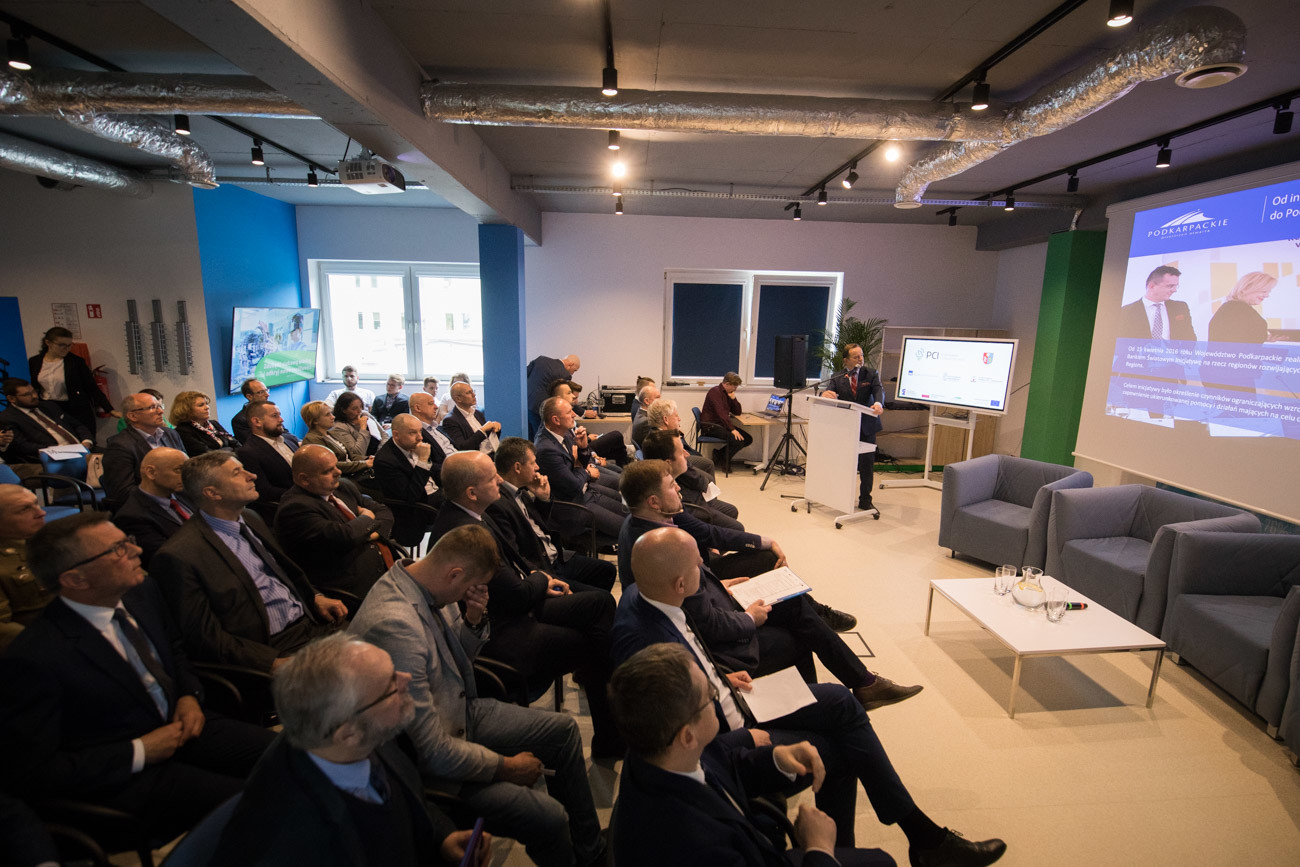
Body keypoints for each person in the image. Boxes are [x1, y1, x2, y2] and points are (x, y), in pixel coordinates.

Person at [612, 527, 1006, 866]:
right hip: (735, 725)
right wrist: (744, 735)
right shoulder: (647, 642)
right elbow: (670, 715)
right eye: (699, 566)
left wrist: (719, 678)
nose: (705, 568)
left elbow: (679, 679)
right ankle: (892, 842)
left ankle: (909, 836)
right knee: (842, 749)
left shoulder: (649, 598)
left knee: (839, 700)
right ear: (680, 584)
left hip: (733, 699)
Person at [0, 514, 274, 841]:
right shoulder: (35, 657)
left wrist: (188, 695)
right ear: (75, 579)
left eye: (127, 540)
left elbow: (174, 649)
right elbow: (34, 771)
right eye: (118, 549)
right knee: (259, 805)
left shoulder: (141, 592)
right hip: (128, 770)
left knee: (294, 753)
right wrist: (140, 750)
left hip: (183, 724)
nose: (137, 550)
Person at [348, 525, 607, 867]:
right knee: (548, 816)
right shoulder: (396, 627)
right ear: (454, 573)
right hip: (429, 762)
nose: (468, 594)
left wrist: (473, 618)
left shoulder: (424, 581)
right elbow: (430, 751)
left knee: (564, 732)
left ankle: (591, 852)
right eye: (469, 587)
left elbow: (458, 661)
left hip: (458, 708)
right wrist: (505, 767)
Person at [618, 460, 919, 709]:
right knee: (799, 633)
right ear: (654, 501)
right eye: (672, 485)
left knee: (792, 604)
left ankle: (857, 685)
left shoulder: (644, 526)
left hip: (712, 603)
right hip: (714, 642)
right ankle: (824, 705)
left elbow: (689, 595)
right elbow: (704, 623)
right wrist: (750, 618)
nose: (680, 488)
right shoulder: (661, 546)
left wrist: (720, 585)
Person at [211, 634, 491, 867]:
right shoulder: (290, 840)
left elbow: (407, 798)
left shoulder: (362, 735)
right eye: (389, 685)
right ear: (348, 733)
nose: (405, 678)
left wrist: (442, 838)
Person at [608, 643, 894, 867]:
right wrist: (819, 849)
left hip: (750, 839)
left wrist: (777, 758)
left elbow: (722, 764)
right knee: (884, 862)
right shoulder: (695, 845)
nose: (718, 697)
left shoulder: (660, 750)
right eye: (710, 696)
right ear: (687, 736)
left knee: (839, 752)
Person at [425, 453, 621, 755]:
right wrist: (540, 580)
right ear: (472, 492)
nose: (499, 480)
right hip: (500, 629)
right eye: (492, 477)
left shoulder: (475, 512)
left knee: (599, 609)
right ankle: (611, 734)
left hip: (512, 605)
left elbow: (518, 560)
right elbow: (515, 595)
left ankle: (610, 732)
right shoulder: (465, 532)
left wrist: (539, 577)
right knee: (594, 633)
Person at [150, 450, 347, 673]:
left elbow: (283, 571)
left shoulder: (250, 518)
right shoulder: (179, 555)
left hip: (311, 623)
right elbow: (205, 637)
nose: (252, 475)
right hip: (273, 649)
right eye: (237, 473)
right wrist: (271, 663)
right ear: (212, 493)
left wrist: (315, 596)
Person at [489, 436, 617, 592]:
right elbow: (516, 553)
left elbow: (540, 526)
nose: (537, 467)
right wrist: (543, 579)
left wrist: (543, 499)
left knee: (607, 570)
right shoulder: (499, 503)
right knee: (602, 599)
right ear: (517, 467)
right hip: (544, 569)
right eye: (533, 463)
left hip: (557, 558)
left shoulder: (522, 491)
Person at [274, 446, 397, 602]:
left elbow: (384, 513)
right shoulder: (295, 508)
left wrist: (370, 534)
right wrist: (367, 517)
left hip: (385, 566)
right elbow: (346, 536)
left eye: (336, 466)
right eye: (328, 471)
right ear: (304, 479)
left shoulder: (342, 487)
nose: (338, 472)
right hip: (349, 588)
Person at [533, 396, 628, 541]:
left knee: (628, 515)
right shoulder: (546, 449)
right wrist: (585, 471)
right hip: (573, 505)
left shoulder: (563, 434)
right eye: (569, 412)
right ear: (556, 420)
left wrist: (583, 448)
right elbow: (574, 486)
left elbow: (581, 464)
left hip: (586, 492)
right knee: (626, 530)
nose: (574, 414)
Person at [820, 343, 884, 513]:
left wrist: (878, 403)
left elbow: (878, 391)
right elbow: (828, 392)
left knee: (866, 465)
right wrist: (824, 394)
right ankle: (840, 497)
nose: (860, 359)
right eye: (856, 357)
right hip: (846, 427)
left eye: (861, 355)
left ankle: (865, 500)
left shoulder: (871, 373)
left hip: (867, 426)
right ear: (846, 360)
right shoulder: (837, 376)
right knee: (843, 463)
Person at [642, 428, 743, 531]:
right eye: (681, 452)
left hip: (695, 501)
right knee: (737, 527)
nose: (687, 455)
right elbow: (699, 529)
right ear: (668, 463)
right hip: (696, 508)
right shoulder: (673, 503)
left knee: (732, 512)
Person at [26, 326, 118, 436]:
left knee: (82, 439)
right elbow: (34, 386)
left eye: (69, 345)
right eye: (61, 345)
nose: (66, 349)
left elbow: (91, 387)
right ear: (48, 343)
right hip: (48, 408)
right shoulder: (34, 361)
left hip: (74, 409)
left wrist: (109, 409)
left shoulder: (76, 362)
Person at [110, 447, 194, 568]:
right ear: (151, 472)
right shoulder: (133, 517)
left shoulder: (184, 494)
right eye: (178, 470)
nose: (187, 476)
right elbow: (168, 562)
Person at [101, 392, 186, 510]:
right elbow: (122, 492)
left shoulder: (170, 434)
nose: (161, 411)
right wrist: (163, 493)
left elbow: (186, 468)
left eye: (159, 406)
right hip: (147, 507)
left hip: (182, 499)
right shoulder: (119, 446)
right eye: (152, 407)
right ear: (133, 416)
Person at [374, 414, 445, 545]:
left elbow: (434, 468)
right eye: (413, 433)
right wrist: (422, 460)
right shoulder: (385, 460)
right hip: (421, 506)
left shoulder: (414, 444)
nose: (420, 437)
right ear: (396, 435)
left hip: (438, 492)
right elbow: (411, 495)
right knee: (463, 513)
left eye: (420, 431)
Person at [0, 485, 56, 649]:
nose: (41, 512)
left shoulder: (50, 540)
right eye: (24, 509)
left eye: (36, 503)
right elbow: (3, 629)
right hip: (44, 641)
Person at [0, 377, 94, 467]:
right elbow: (23, 446)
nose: (34, 396)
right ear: (11, 399)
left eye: (34, 391)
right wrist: (60, 449)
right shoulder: (7, 418)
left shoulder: (48, 406)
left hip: (84, 449)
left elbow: (77, 425)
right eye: (27, 394)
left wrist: (87, 441)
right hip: (54, 459)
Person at [236, 400, 301, 521]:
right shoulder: (248, 452)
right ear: (257, 421)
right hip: (287, 507)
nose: (281, 419)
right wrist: (305, 492)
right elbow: (264, 491)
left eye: (280, 415)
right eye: (274, 416)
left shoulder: (289, 439)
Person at [551, 380, 631, 467]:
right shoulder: (561, 420)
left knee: (616, 452)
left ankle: (625, 466)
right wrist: (589, 439)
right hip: (582, 455)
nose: (575, 399)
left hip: (585, 451)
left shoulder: (567, 415)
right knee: (616, 436)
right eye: (570, 394)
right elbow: (573, 444)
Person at [300, 400, 374, 484]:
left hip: (352, 474)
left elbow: (349, 455)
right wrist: (364, 464)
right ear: (315, 421)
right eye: (327, 414)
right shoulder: (312, 440)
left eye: (331, 413)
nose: (333, 417)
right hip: (341, 480)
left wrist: (367, 459)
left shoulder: (331, 434)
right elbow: (331, 465)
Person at [644, 397, 717, 479]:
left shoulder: (660, 434)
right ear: (666, 419)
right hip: (678, 476)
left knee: (707, 464)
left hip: (682, 467)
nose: (679, 419)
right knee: (708, 478)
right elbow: (682, 469)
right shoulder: (663, 441)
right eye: (676, 416)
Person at [1117, 265, 1196, 341]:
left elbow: (1191, 339)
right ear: (1151, 286)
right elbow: (1121, 343)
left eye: (1176, 286)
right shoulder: (1125, 311)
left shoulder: (1180, 307)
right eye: (1170, 286)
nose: (1174, 290)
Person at [1208, 271, 1278, 343]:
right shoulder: (1239, 310)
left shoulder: (1231, 307)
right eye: (1264, 291)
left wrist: (1264, 338)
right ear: (1246, 288)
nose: (1267, 296)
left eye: (1268, 292)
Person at [701, 372, 754, 465]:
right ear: (727, 384)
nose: (735, 389)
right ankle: (725, 462)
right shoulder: (715, 392)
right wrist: (732, 429)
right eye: (734, 387)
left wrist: (734, 399)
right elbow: (721, 413)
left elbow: (737, 412)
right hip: (710, 427)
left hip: (721, 424)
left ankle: (719, 454)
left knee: (748, 439)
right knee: (737, 441)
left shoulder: (728, 393)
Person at [440, 381, 502, 456]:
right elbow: (462, 448)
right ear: (458, 399)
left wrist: (495, 428)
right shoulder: (450, 420)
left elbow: (488, 438)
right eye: (469, 393)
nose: (474, 395)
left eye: (473, 391)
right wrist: (482, 430)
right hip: (475, 458)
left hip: (492, 453)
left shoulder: (478, 413)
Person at [171, 389, 240, 456]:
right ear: (186, 409)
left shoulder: (213, 423)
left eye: (206, 404)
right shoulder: (183, 431)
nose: (207, 407)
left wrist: (228, 451)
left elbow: (236, 444)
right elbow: (206, 455)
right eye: (201, 405)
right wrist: (229, 449)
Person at [526, 353, 580, 437]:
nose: (572, 373)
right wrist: (582, 412)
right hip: (541, 410)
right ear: (571, 364)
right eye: (574, 370)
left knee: (529, 437)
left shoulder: (541, 360)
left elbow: (524, 374)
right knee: (542, 437)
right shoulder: (564, 374)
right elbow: (564, 398)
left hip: (526, 405)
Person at [407, 392, 456, 478]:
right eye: (430, 404)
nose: (436, 407)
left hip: (460, 459)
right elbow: (430, 465)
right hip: (450, 472)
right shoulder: (415, 434)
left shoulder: (436, 427)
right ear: (418, 408)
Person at [331, 391, 381, 459]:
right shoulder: (340, 427)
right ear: (343, 410)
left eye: (360, 407)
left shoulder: (364, 414)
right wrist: (363, 428)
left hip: (379, 454)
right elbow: (358, 452)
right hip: (365, 460)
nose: (359, 411)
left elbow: (383, 435)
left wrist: (380, 453)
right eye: (354, 409)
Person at [230, 378, 270, 445]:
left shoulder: (270, 411)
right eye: (261, 392)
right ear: (249, 396)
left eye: (266, 390)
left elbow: (284, 432)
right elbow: (254, 443)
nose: (267, 395)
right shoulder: (239, 420)